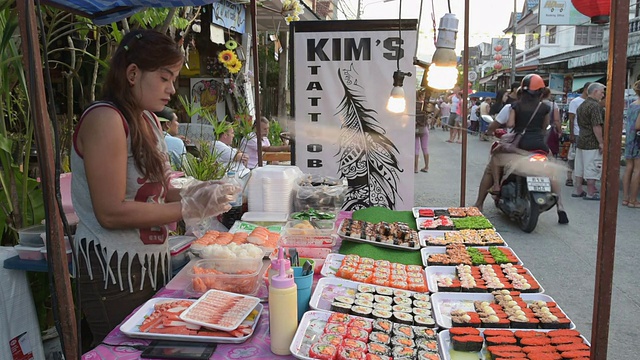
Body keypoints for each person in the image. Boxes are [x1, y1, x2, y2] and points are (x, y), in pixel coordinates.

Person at [70, 29, 238, 346]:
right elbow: (110, 212)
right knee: (126, 350)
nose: (172, 90)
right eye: (165, 78)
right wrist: (187, 207)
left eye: (173, 79)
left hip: (149, 263)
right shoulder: (106, 119)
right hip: (114, 272)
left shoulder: (146, 120)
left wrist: (201, 190)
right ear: (133, 73)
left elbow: (163, 186)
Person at [506, 74, 568, 224]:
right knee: (551, 171)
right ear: (541, 91)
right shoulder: (545, 107)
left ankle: (496, 186)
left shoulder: (516, 106)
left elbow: (510, 125)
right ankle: (560, 207)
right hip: (540, 145)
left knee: (499, 160)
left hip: (521, 144)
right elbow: (544, 127)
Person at [573, 82, 606, 200]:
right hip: (592, 142)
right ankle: (590, 192)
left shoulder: (582, 105)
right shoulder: (595, 106)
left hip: (581, 139)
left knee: (579, 167)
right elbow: (596, 125)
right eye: (602, 92)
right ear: (595, 91)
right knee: (592, 166)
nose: (603, 95)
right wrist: (601, 142)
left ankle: (578, 190)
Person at [566, 82, 591, 187]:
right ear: (586, 89)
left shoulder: (592, 103)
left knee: (584, 157)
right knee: (572, 156)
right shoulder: (575, 102)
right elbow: (571, 119)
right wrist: (571, 133)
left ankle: (581, 177)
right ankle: (569, 177)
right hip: (577, 132)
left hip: (587, 134)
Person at [623, 80, 640, 207]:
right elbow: (638, 125)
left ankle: (625, 198)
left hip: (630, 138)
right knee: (637, 170)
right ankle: (633, 200)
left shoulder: (632, 104)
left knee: (629, 168)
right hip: (638, 140)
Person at [541, 88, 562, 157]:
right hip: (550, 131)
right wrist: (559, 131)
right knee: (550, 151)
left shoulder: (537, 104)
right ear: (549, 95)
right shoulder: (553, 105)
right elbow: (556, 120)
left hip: (538, 130)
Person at [415, 94, 429, 173]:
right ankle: (426, 166)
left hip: (416, 128)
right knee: (425, 148)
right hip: (424, 128)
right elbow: (436, 109)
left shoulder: (414, 106)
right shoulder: (426, 106)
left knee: (416, 148)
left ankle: (416, 168)